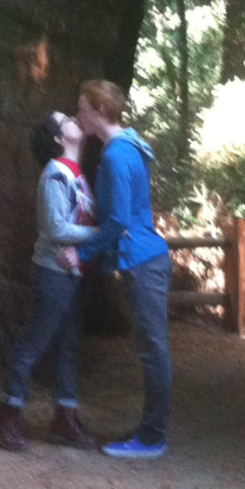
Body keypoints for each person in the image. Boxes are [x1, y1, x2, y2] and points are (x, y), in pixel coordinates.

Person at [71, 79, 172, 459]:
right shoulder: (127, 148)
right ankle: (151, 431)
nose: (78, 114)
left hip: (142, 261)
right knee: (152, 349)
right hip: (143, 258)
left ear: (99, 110)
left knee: (152, 351)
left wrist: (82, 256)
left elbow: (116, 221)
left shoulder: (116, 155)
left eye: (82, 108)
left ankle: (151, 437)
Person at [0, 112, 99, 454]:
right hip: (53, 273)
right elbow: (56, 228)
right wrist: (102, 233)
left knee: (68, 346)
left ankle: (65, 418)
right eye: (65, 118)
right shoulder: (55, 174)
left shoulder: (77, 175)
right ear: (58, 138)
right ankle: (7, 414)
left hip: (74, 272)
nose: (73, 118)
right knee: (33, 344)